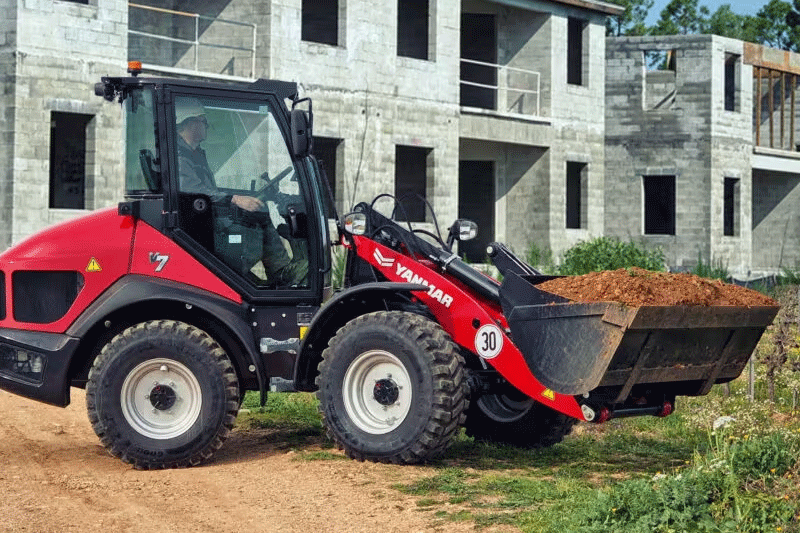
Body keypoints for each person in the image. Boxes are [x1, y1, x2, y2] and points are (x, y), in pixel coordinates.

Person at [175, 98, 307, 286]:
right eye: (204, 121)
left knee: (259, 212)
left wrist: (244, 197)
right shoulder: (180, 158)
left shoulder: (194, 154)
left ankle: (274, 274)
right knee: (259, 216)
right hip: (202, 226)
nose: (207, 126)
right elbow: (196, 192)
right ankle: (280, 272)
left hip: (206, 218)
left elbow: (207, 191)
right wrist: (236, 199)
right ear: (191, 122)